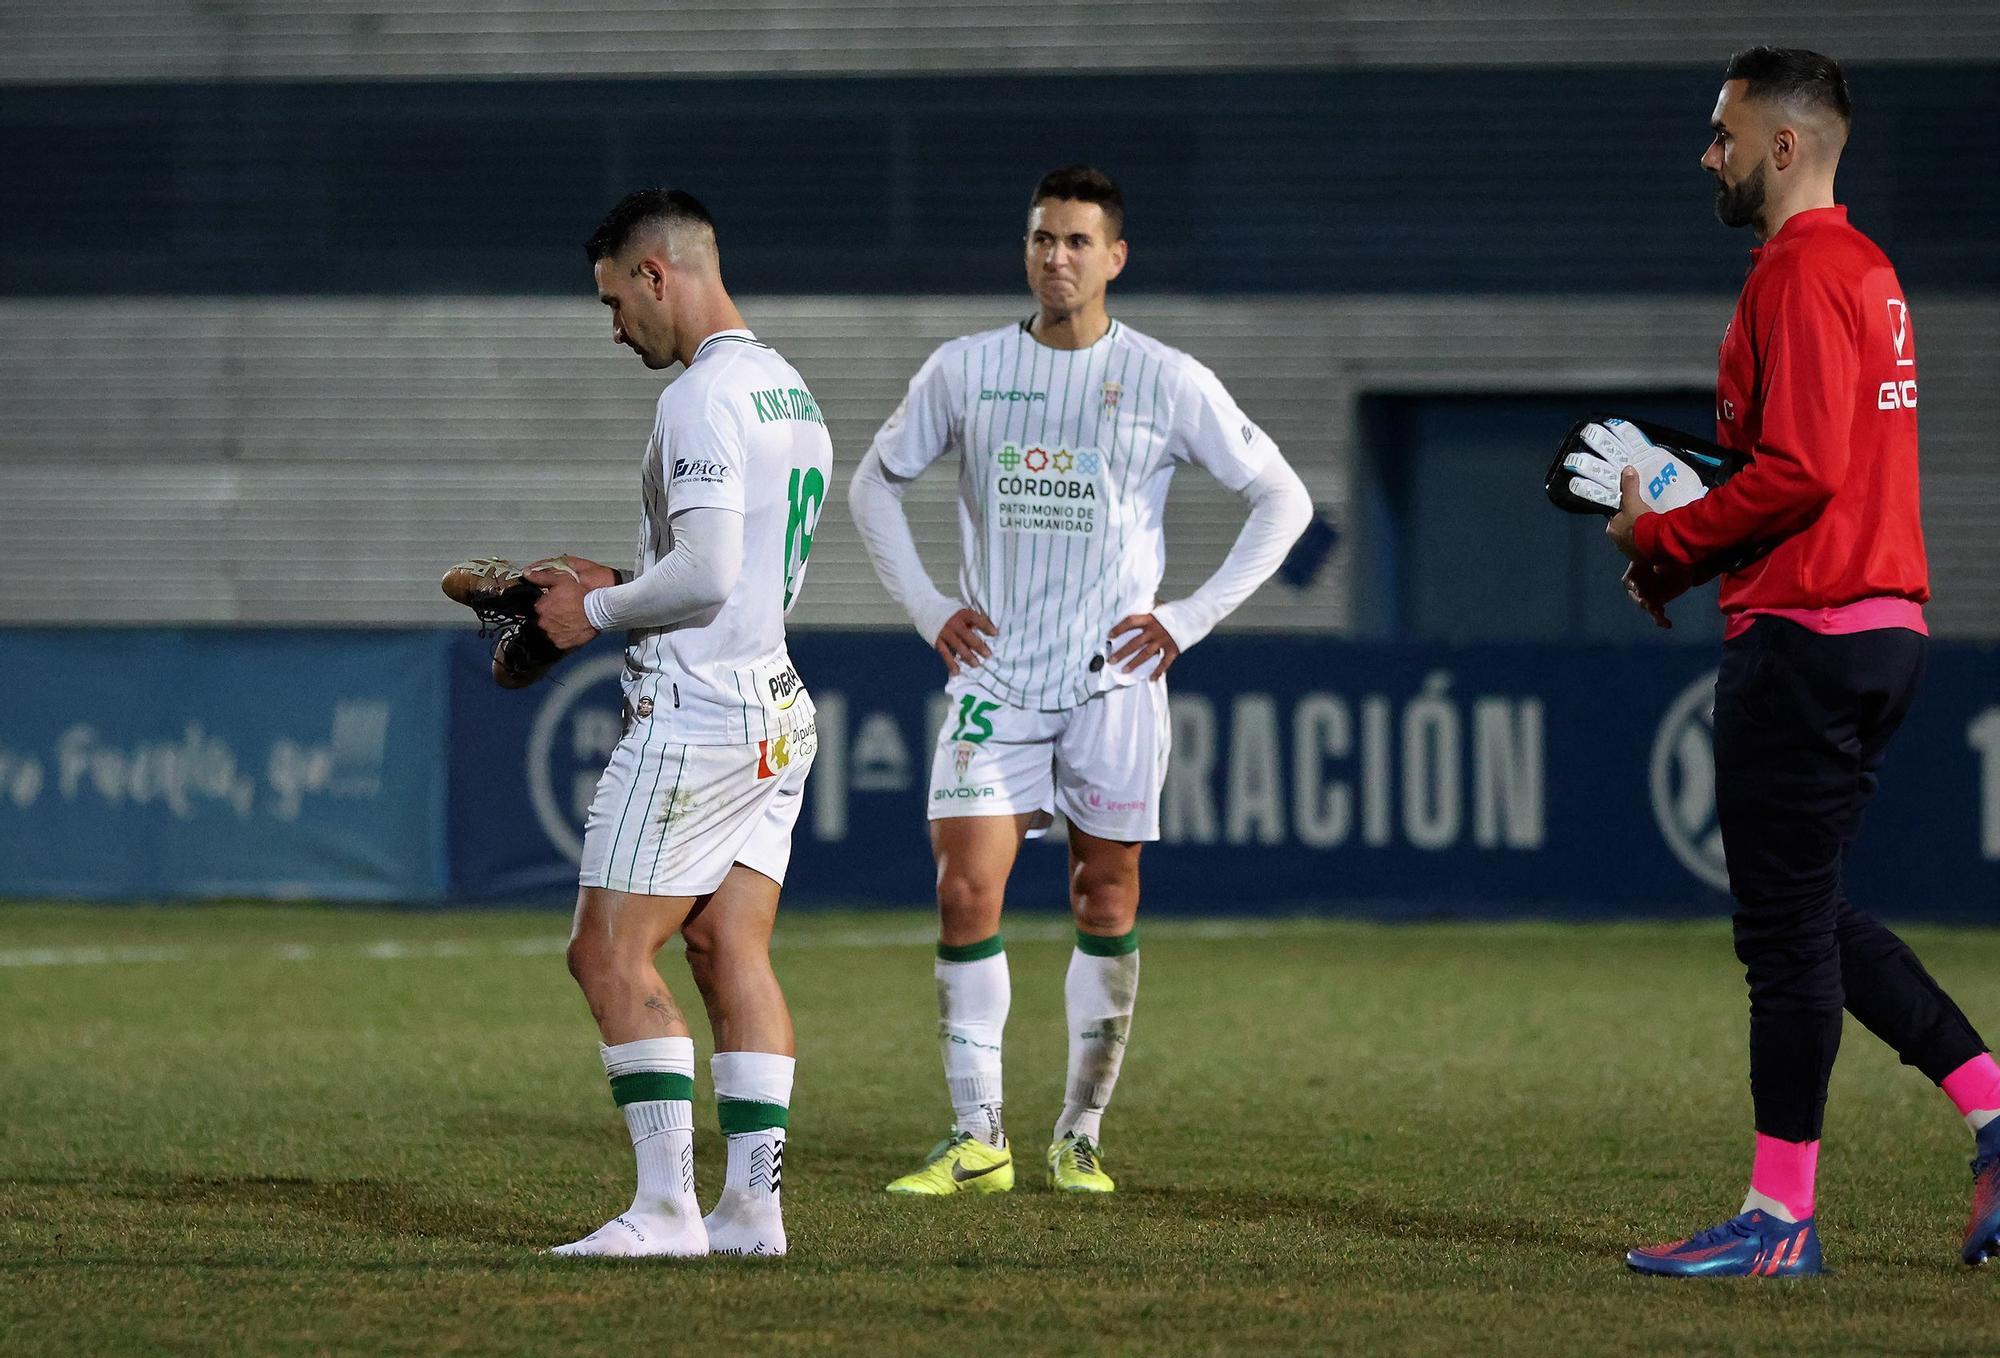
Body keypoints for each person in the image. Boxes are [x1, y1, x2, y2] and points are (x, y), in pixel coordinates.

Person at [1608, 48, 2000, 1277]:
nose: (1706, 155)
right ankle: (1993, 1107)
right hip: (1881, 622)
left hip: (1807, 632)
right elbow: (1810, 465)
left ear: (1783, 147)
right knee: (1810, 911)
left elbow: (1800, 469)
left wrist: (1665, 535)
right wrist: (1676, 562)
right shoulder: (1867, 269)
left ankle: (1779, 1219)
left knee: (1780, 935)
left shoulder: (1793, 270)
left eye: (1722, 134)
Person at [847, 165, 1312, 1196]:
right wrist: (929, 608)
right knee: (964, 889)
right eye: (1040, 238)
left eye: (1074, 240)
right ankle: (977, 1140)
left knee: (1104, 895)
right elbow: (872, 482)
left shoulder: (1165, 377)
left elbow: (1280, 498)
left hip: (1113, 684)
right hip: (994, 678)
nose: (1054, 256)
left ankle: (1077, 1132)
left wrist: (1187, 617)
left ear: (1114, 258)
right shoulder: (964, 369)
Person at [527, 187, 831, 1257]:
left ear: (656, 273)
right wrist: (604, 577)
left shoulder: (697, 400)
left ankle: (664, 1210)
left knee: (605, 952)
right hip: (774, 707)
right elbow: (736, 574)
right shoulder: (788, 392)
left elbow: (703, 574)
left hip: (697, 715)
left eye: (616, 300)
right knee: (727, 949)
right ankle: (753, 1209)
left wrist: (592, 612)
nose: (616, 326)